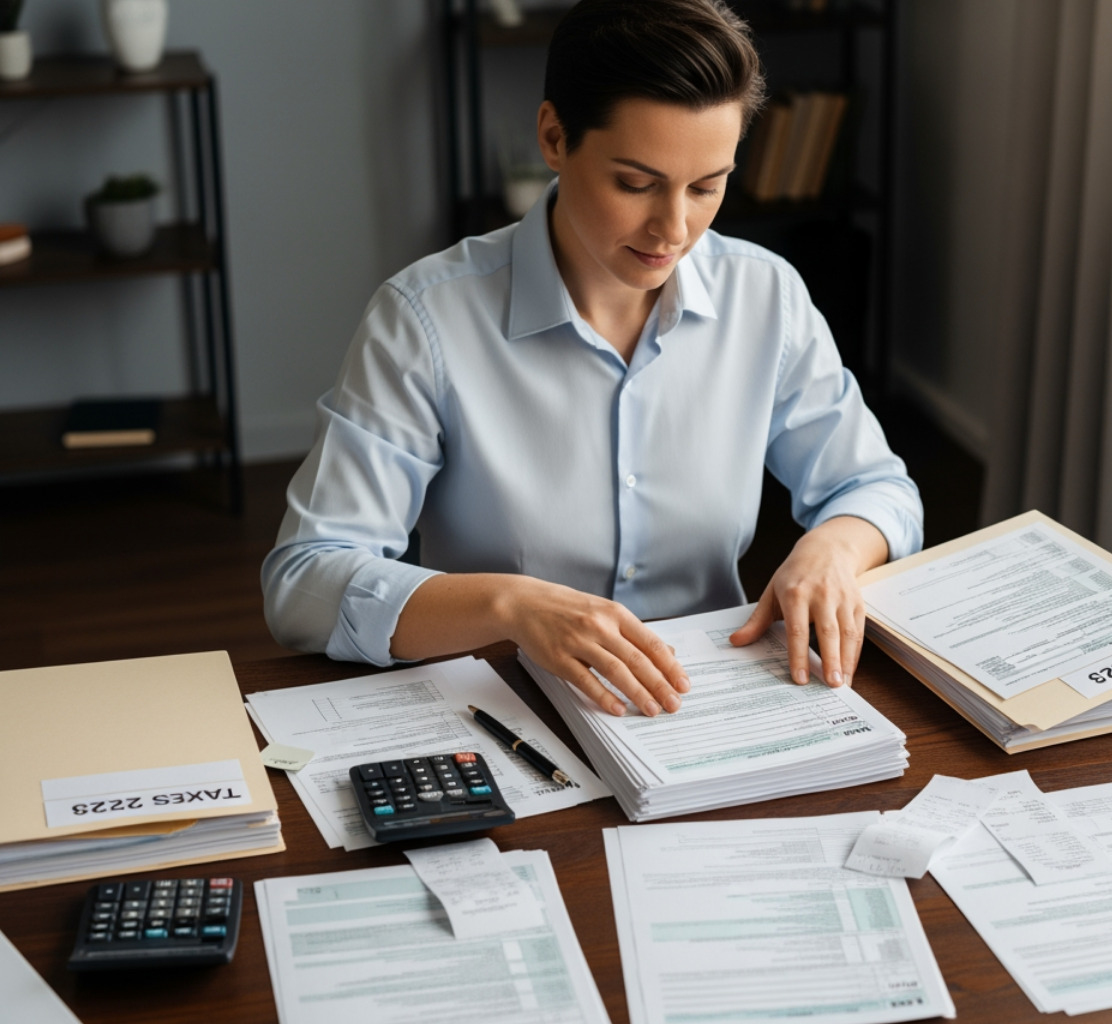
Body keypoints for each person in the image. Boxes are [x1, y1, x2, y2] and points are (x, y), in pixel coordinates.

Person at [261, 0, 921, 720]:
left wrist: (833, 547)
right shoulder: (424, 318)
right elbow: (302, 583)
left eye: (707, 186)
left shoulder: (766, 296)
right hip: (509, 716)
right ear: (553, 136)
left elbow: (876, 488)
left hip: (708, 711)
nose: (674, 229)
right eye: (636, 183)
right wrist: (509, 605)